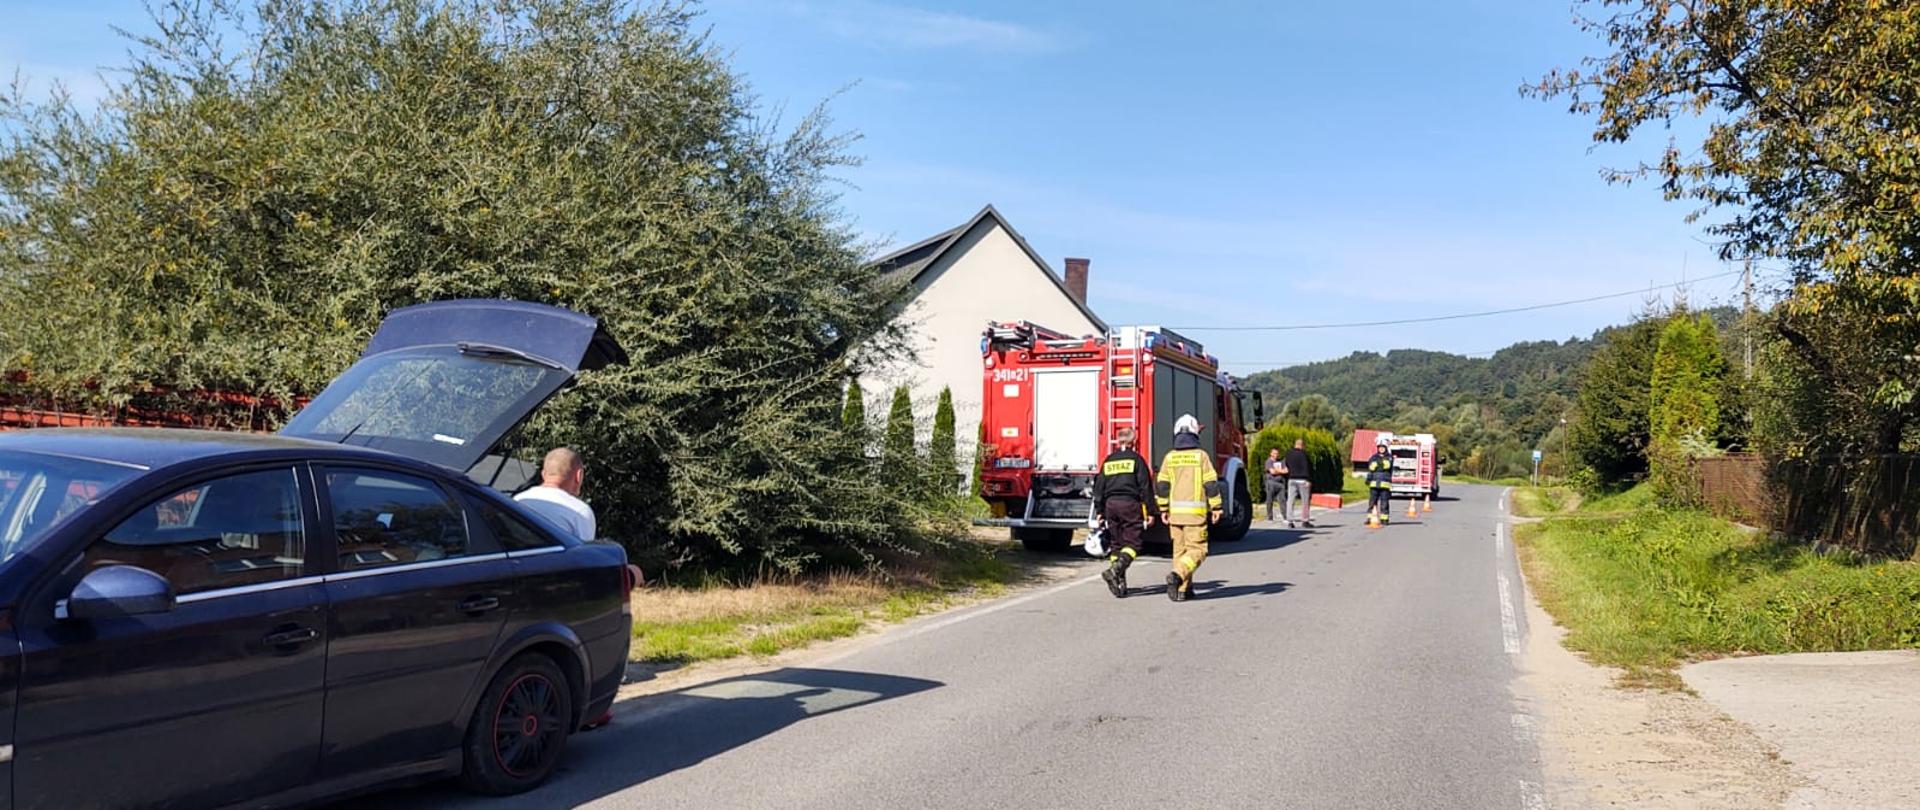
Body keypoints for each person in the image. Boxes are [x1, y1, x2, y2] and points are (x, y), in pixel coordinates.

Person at [1156, 414, 1222, 602]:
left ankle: (1183, 591)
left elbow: (1162, 486)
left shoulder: (1169, 457)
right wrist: (1216, 507)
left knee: (1180, 552)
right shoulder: (1201, 456)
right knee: (1198, 551)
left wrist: (1163, 509)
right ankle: (1177, 575)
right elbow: (1210, 484)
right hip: (1195, 516)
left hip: (1175, 515)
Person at [1094, 427, 1160, 598]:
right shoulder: (1137, 460)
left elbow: (1099, 488)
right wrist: (1151, 511)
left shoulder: (1108, 461)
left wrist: (1099, 510)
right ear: (1134, 441)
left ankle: (1119, 584)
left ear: (1117, 441)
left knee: (1116, 544)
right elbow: (1145, 487)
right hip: (1129, 504)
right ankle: (1114, 571)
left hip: (1110, 505)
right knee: (1133, 544)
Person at [515, 447, 597, 541]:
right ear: (579, 476)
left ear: (543, 474)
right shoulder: (579, 512)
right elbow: (585, 554)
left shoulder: (518, 500)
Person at [1284, 438, 1315, 528]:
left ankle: (1290, 521)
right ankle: (1305, 521)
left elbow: (1286, 465)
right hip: (1303, 479)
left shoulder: (1288, 454)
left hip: (1291, 479)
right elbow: (1308, 467)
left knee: (1290, 500)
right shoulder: (1304, 454)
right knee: (1305, 501)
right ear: (1302, 445)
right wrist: (1309, 480)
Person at [1366, 438, 1394, 526]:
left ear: (1386, 448)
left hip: (1385, 484)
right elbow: (1371, 468)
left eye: (1383, 447)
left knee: (1384, 502)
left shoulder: (1389, 457)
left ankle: (1384, 519)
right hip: (1374, 483)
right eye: (1380, 447)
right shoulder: (1373, 457)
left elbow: (1387, 466)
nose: (1381, 449)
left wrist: (1377, 465)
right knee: (1372, 502)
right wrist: (1368, 478)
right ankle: (1370, 518)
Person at [1263, 448, 1288, 522]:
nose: (1275, 455)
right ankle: (1269, 516)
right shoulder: (1269, 462)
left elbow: (1286, 470)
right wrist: (1281, 471)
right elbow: (1272, 472)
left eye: (1277, 453)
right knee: (1269, 500)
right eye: (1274, 453)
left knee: (1282, 500)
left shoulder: (1280, 462)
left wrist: (1277, 471)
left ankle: (1285, 516)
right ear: (1271, 454)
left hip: (1280, 483)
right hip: (1271, 482)